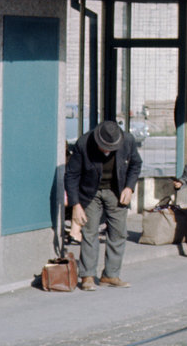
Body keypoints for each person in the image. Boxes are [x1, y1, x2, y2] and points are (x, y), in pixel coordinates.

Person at [64, 120, 142, 291]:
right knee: (89, 232)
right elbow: (71, 175)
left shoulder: (127, 141)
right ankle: (87, 276)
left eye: (111, 147)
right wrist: (76, 205)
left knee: (118, 232)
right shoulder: (84, 143)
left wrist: (129, 187)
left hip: (116, 190)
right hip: (90, 192)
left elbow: (136, 164)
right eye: (104, 146)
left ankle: (110, 275)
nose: (107, 150)